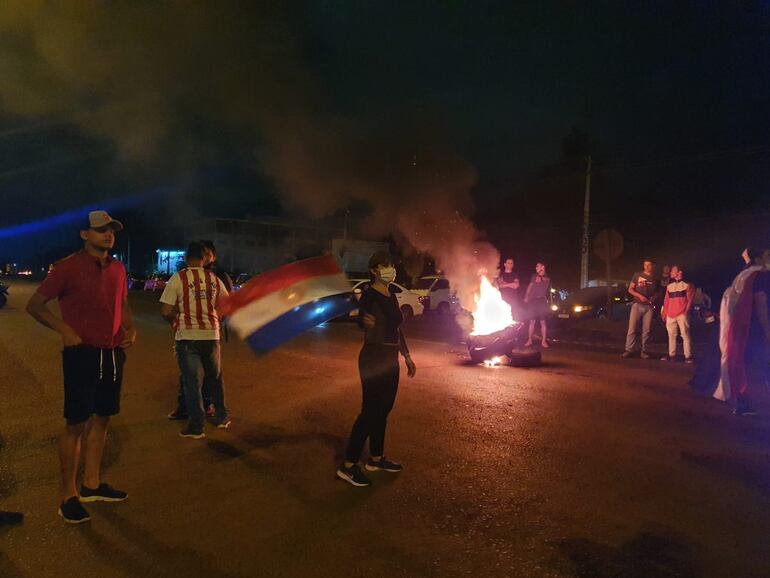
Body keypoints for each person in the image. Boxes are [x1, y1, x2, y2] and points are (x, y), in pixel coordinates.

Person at [26, 211, 135, 524]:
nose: (108, 235)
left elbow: (122, 303)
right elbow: (35, 306)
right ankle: (68, 496)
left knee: (103, 418)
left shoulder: (117, 268)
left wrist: (130, 327)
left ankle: (92, 484)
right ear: (84, 234)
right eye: (100, 230)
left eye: (111, 230)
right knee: (75, 423)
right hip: (81, 354)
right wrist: (65, 330)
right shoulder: (67, 267)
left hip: (112, 352)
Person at [337, 252, 416, 487]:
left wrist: (407, 355)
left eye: (391, 265)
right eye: (385, 266)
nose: (390, 269)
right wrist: (364, 322)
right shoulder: (369, 296)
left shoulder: (391, 296)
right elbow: (363, 319)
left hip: (390, 358)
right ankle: (348, 465)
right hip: (373, 357)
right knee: (371, 411)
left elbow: (397, 330)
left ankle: (376, 458)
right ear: (374, 270)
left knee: (384, 409)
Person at [160, 241, 231, 438]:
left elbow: (165, 310)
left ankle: (196, 426)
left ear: (185, 257)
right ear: (203, 258)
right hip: (211, 335)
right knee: (215, 378)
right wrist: (215, 318)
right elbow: (226, 304)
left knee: (191, 382)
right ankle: (222, 417)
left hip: (187, 337)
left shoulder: (178, 278)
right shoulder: (214, 279)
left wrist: (175, 322)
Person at [716, 249, 770, 416]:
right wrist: (768, 331)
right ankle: (742, 402)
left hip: (744, 328)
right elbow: (760, 304)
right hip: (751, 329)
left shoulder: (749, 273)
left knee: (746, 364)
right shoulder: (760, 276)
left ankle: (741, 401)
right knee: (755, 365)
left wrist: (746, 258)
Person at [622, 260, 659, 359]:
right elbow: (630, 289)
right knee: (632, 328)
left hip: (649, 307)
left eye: (649, 265)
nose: (646, 267)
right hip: (637, 305)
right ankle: (629, 349)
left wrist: (653, 299)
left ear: (652, 266)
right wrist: (639, 296)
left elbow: (657, 292)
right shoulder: (637, 275)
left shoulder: (655, 278)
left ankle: (644, 351)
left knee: (646, 330)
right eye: (645, 265)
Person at [660, 265, 695, 363]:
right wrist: (665, 313)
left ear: (679, 272)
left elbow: (690, 300)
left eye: (673, 271)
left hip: (681, 314)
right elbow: (666, 301)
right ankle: (672, 355)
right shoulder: (669, 286)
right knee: (671, 335)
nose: (671, 272)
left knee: (685, 335)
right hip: (670, 314)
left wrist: (685, 313)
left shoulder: (687, 285)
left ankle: (688, 356)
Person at [524, 262, 552, 348]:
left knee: (543, 322)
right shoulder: (534, 276)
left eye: (537, 266)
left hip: (542, 301)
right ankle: (529, 340)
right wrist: (526, 296)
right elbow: (530, 287)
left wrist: (540, 277)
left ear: (542, 267)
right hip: (532, 301)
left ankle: (543, 341)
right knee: (531, 321)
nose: (536, 267)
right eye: (536, 266)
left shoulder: (547, 277)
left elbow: (545, 280)